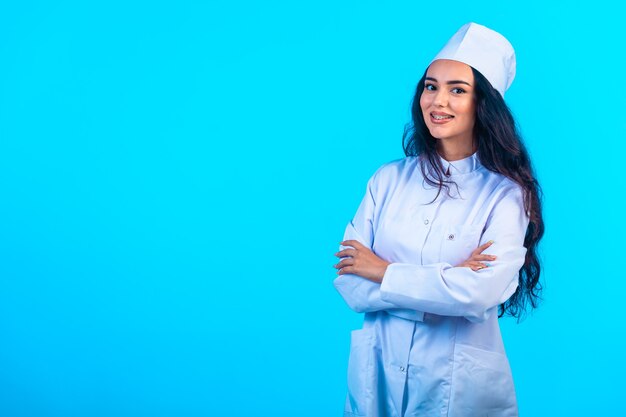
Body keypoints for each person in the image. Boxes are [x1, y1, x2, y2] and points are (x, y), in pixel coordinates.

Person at [332, 22, 544, 417]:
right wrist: (446, 285)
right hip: (378, 375)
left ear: (484, 103)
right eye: (431, 86)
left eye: (457, 90)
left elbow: (480, 293)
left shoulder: (506, 195)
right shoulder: (387, 179)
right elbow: (349, 282)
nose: (437, 101)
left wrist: (382, 270)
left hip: (459, 390)